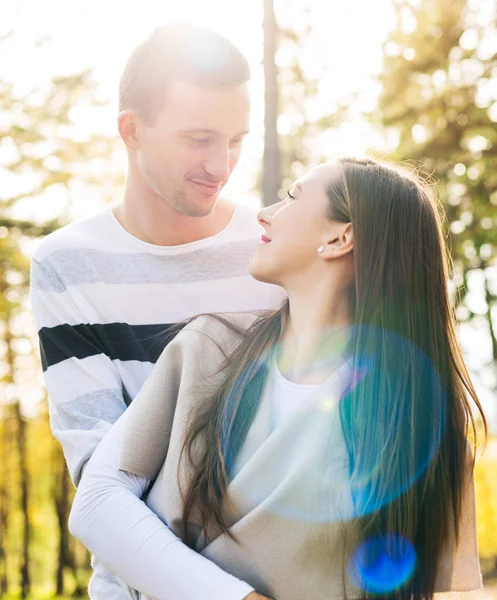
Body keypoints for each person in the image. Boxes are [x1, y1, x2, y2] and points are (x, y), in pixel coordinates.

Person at [69, 157, 486, 600]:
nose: (264, 213)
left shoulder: (420, 420)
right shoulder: (208, 349)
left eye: (292, 197)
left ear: (340, 236)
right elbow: (97, 504)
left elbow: (443, 590)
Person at [30, 23, 285, 600]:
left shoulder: (273, 248)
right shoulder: (67, 264)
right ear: (131, 130)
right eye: (199, 138)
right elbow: (104, 484)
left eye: (236, 139)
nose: (221, 165)